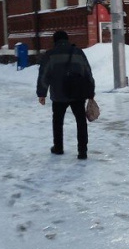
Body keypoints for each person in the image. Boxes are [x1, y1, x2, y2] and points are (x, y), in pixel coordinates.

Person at [37, 30, 95, 160]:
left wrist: (42, 93)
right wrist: (91, 91)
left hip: (58, 94)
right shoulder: (78, 52)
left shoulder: (50, 55)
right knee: (81, 122)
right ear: (67, 40)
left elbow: (44, 75)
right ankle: (82, 151)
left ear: (55, 41)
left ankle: (58, 147)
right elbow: (87, 72)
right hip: (78, 94)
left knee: (58, 121)